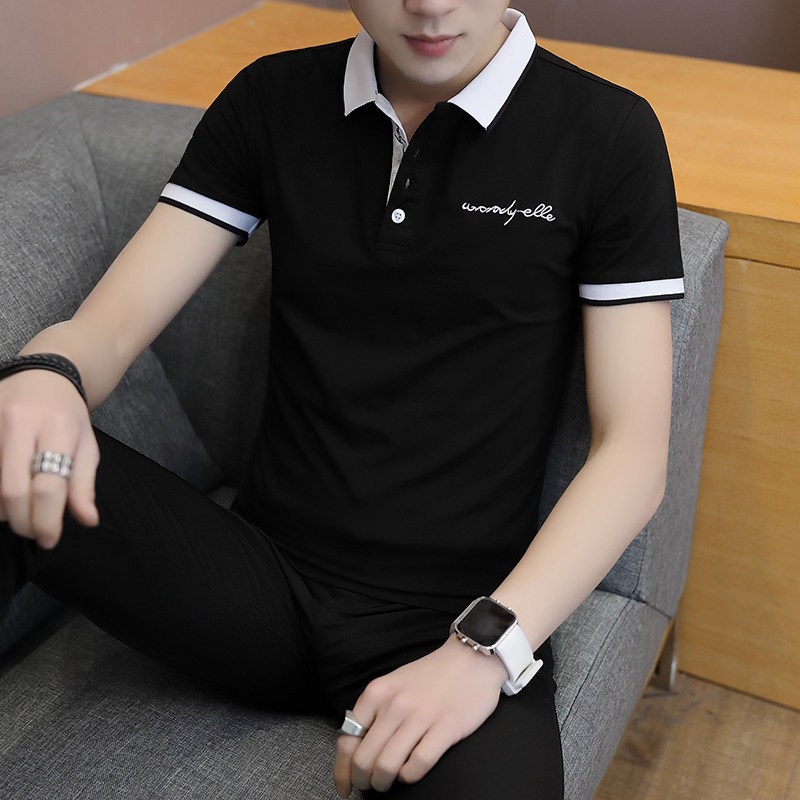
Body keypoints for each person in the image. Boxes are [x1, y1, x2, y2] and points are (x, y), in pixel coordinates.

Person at [0, 0, 684, 797]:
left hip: (449, 621)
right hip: (250, 585)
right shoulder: (273, 97)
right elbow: (109, 330)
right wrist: (49, 373)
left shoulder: (608, 133)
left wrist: (485, 647)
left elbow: (633, 453)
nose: (429, 3)